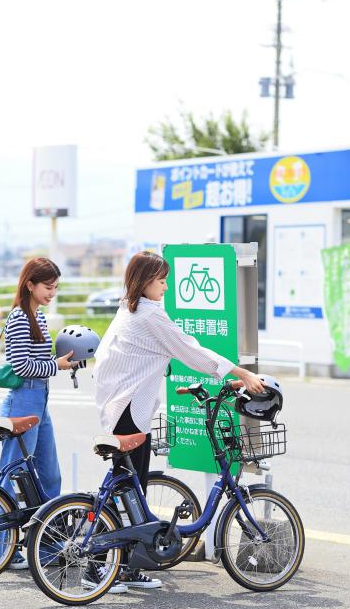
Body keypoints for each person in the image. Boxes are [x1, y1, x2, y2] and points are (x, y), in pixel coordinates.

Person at [93, 250, 264, 590]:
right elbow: (189, 349)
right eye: (161, 281)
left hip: (120, 405)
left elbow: (150, 353)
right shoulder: (148, 316)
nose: (166, 287)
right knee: (128, 488)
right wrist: (240, 371)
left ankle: (121, 567)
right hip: (129, 408)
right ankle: (101, 567)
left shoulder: (132, 308)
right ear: (145, 282)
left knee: (131, 488)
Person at [0, 257, 74, 570]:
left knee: (49, 477)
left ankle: (46, 550)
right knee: (8, 482)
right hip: (22, 403)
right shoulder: (20, 318)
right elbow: (21, 366)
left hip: (39, 403)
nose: (52, 292)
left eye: (55, 287)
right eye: (47, 287)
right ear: (30, 285)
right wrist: (57, 365)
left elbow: (38, 361)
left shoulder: (36, 316)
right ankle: (0, 555)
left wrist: (63, 361)